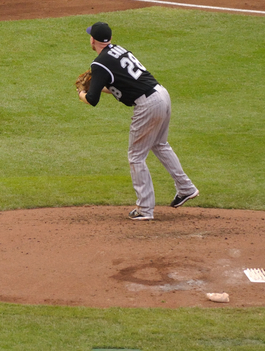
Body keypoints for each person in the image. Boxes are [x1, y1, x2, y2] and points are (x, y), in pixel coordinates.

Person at [78, 21, 199, 221]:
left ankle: (145, 209)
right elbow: (122, 86)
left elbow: (92, 100)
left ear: (93, 40)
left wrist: (82, 93)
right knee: (160, 144)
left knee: (136, 156)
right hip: (161, 94)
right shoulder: (118, 50)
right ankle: (186, 188)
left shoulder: (99, 64)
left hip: (148, 104)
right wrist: (97, 87)